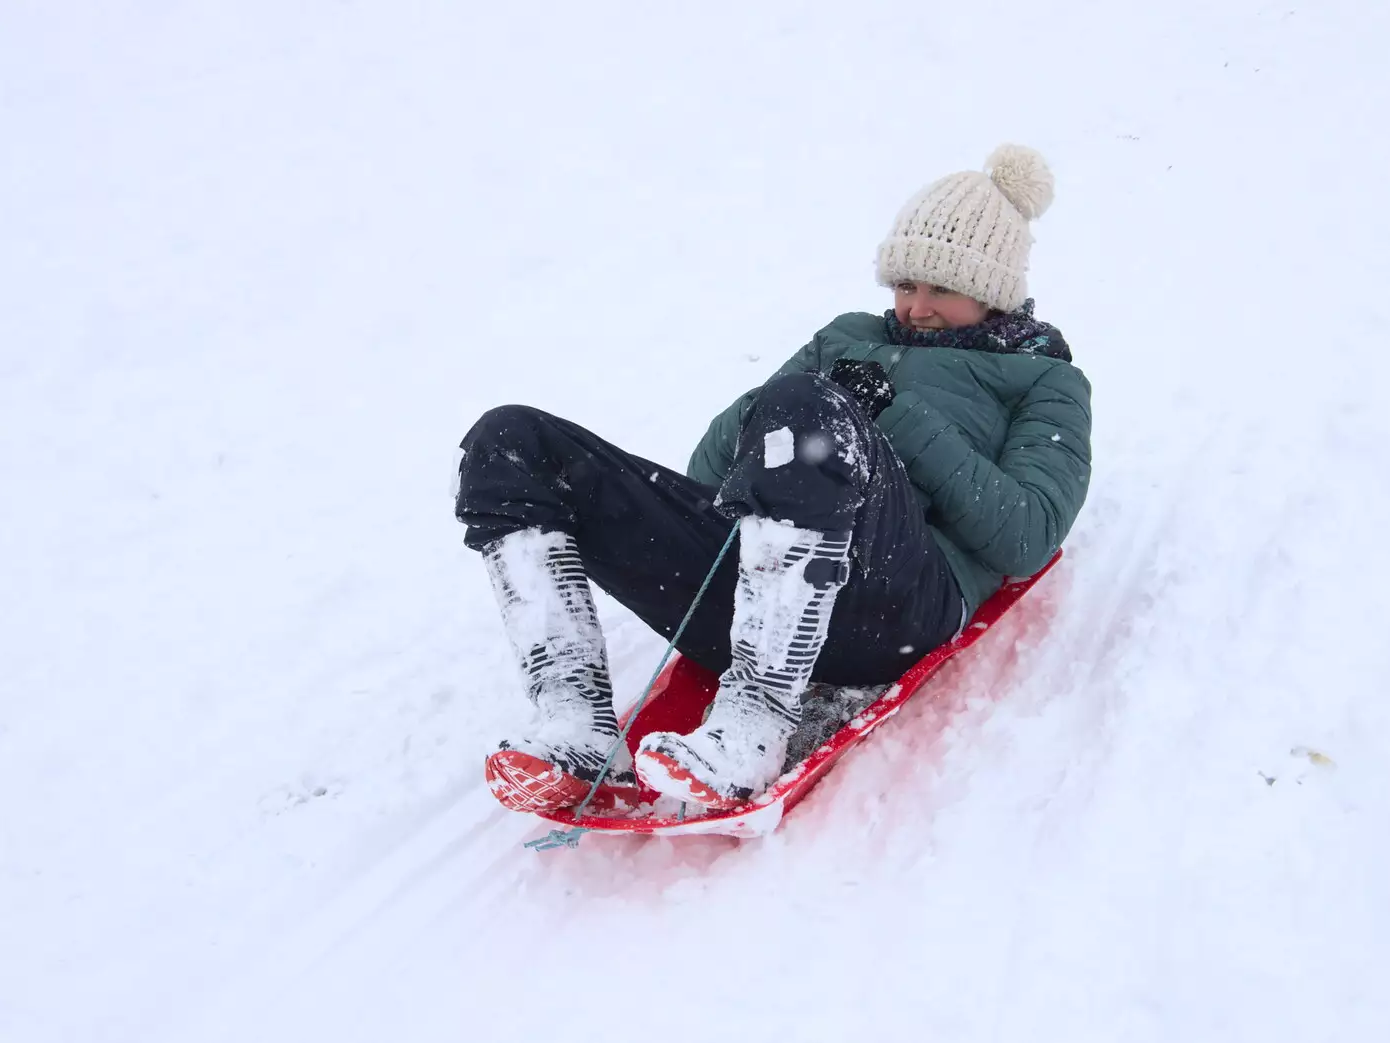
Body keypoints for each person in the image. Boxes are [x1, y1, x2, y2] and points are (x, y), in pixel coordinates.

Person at [455, 144, 1092, 811]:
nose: (915, 307)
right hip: (753, 596)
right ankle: (576, 725)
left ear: (990, 292)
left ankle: (753, 726)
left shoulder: (1046, 381)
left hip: (894, 605)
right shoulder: (847, 334)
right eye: (904, 284)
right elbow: (711, 475)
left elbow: (1027, 535)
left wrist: (886, 414)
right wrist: (795, 397)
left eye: (940, 288)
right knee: (511, 441)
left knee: (811, 414)